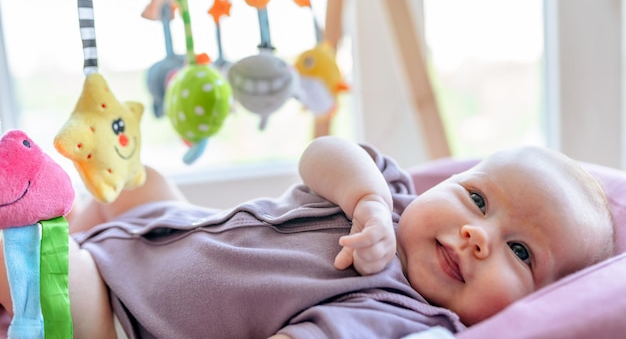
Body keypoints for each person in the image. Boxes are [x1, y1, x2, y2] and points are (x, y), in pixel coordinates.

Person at [0, 136, 616, 339]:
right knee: (145, 180)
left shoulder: (397, 316)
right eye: (477, 199)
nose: (476, 235)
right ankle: (82, 223)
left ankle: (45, 242)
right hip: (164, 232)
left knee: (29, 254)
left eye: (520, 252)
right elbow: (322, 153)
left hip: (122, 315)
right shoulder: (389, 192)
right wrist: (366, 197)